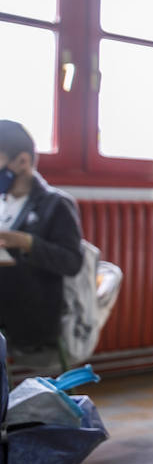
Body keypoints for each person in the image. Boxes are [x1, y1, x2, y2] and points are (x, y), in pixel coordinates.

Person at [0, 121, 84, 359]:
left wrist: (27, 242)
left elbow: (72, 262)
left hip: (27, 307)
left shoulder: (56, 204)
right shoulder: (2, 199)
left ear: (22, 161)